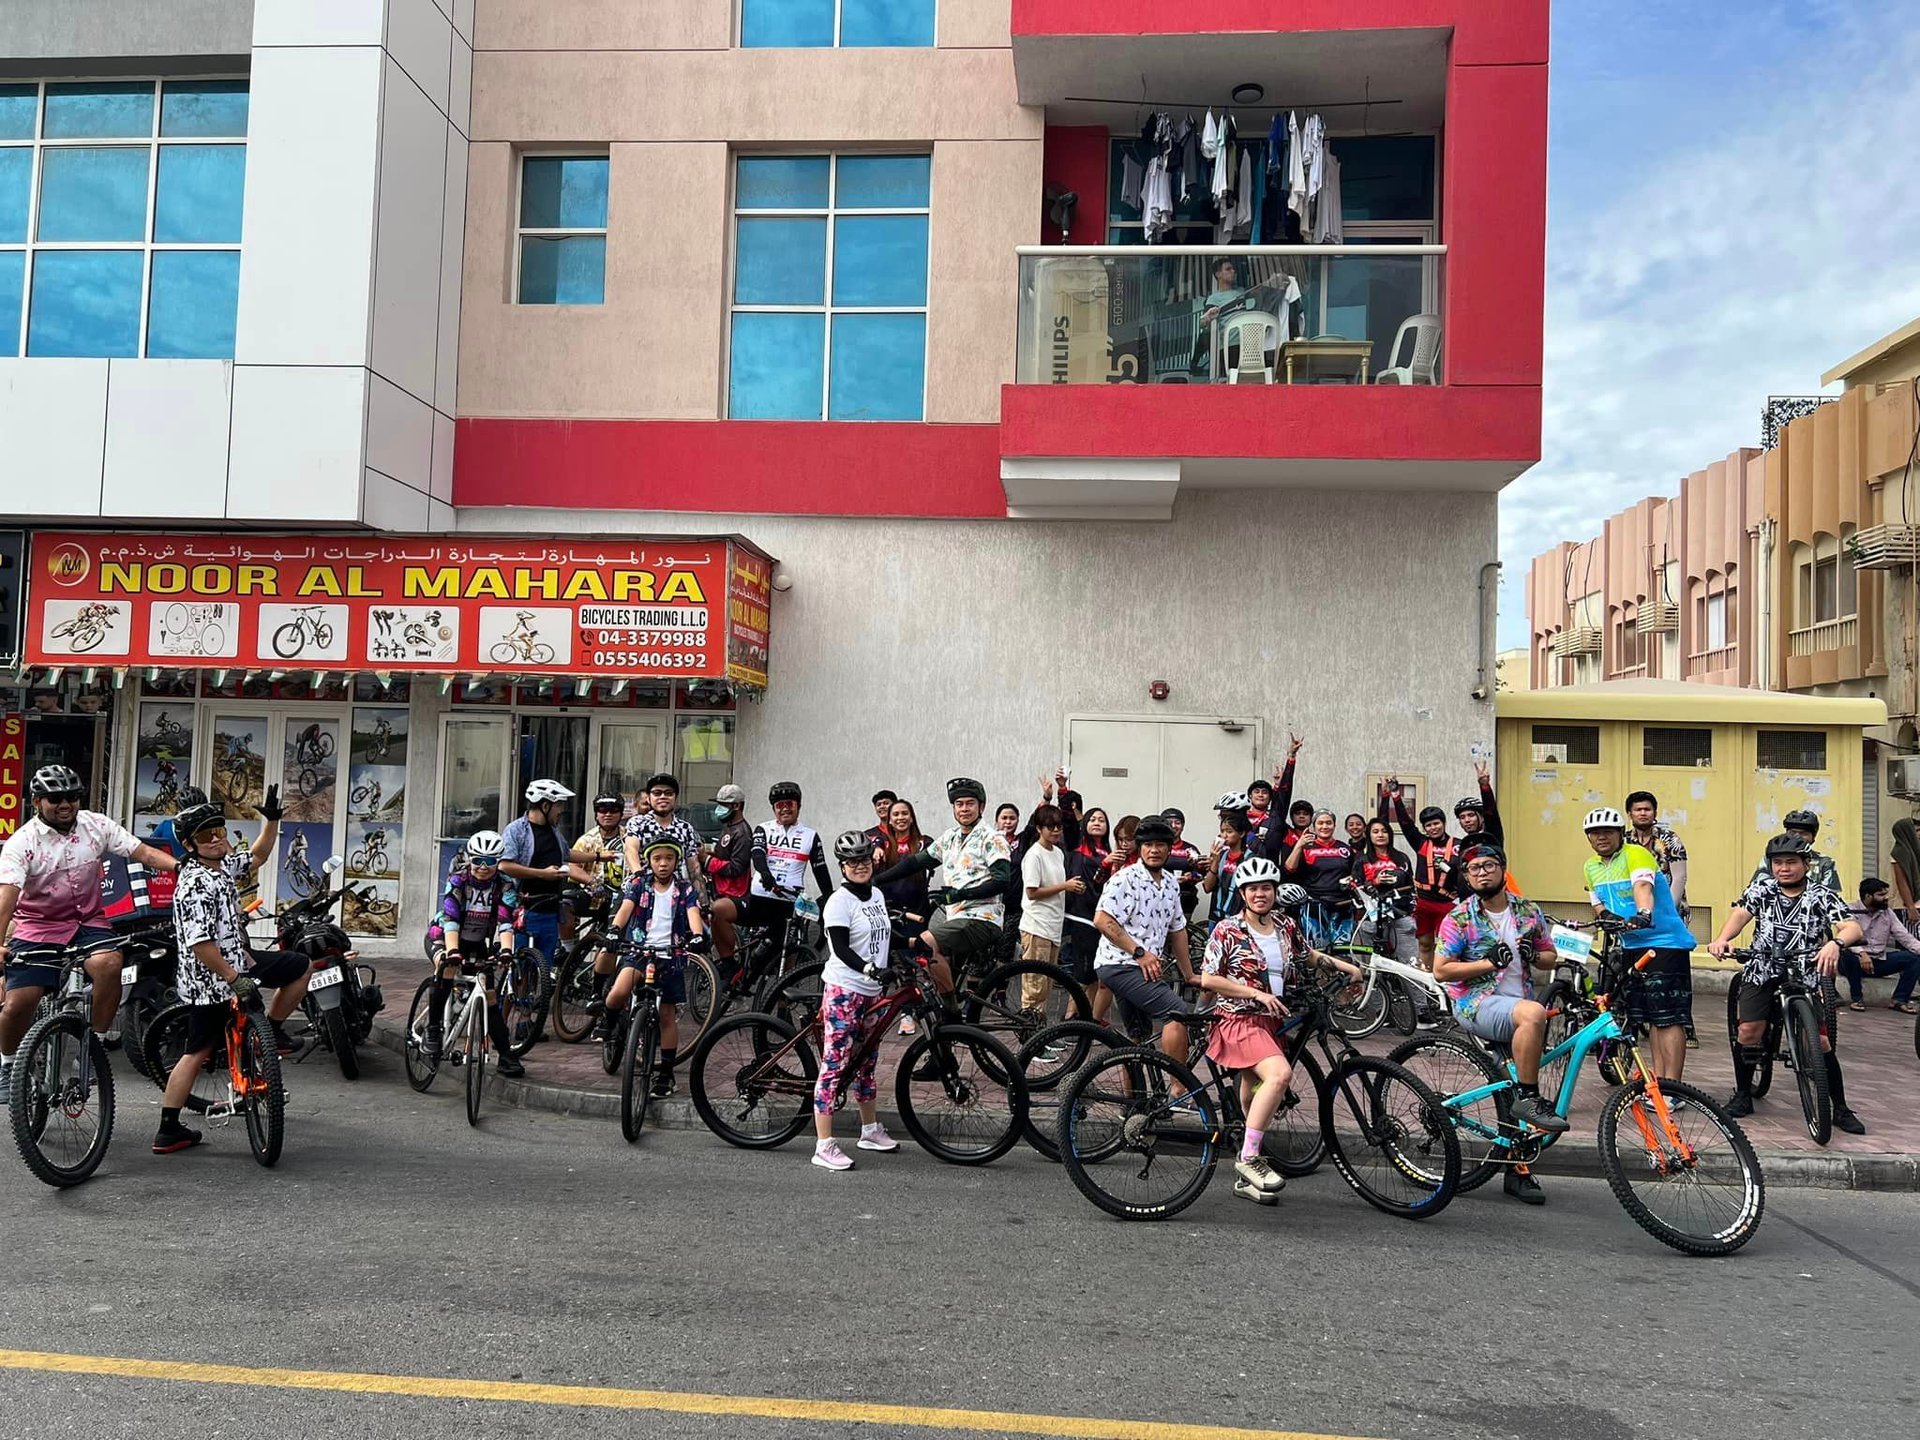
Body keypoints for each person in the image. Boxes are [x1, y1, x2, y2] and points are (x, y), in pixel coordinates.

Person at [0, 764, 180, 1093]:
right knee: (18, 1003)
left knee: (110, 964)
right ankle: (8, 1064)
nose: (66, 803)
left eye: (72, 796)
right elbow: (7, 897)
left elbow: (143, 853)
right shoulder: (21, 843)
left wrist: (181, 866)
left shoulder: (96, 825)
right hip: (38, 926)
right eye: (55, 798)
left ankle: (91, 1049)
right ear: (37, 801)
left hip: (88, 922)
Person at [152, 798, 310, 1154]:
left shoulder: (220, 866)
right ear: (190, 845)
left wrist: (271, 821)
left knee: (299, 967)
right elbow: (200, 943)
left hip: (239, 962)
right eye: (207, 835)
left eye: (220, 831)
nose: (218, 840)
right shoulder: (194, 883)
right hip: (210, 979)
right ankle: (168, 1129)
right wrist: (231, 977)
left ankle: (271, 1029)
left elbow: (257, 856)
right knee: (197, 1051)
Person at [1198, 863, 1358, 1205]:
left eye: (1266, 888)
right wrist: (1256, 994)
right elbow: (1209, 979)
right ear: (1242, 894)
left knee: (1252, 1087)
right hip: (1239, 1019)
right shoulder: (1227, 930)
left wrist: (1348, 968)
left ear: (1274, 892)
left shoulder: (1285, 925)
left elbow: (1308, 955)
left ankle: (1244, 1177)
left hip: (1272, 1021)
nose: (1260, 894)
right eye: (1253, 889)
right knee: (1280, 1074)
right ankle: (1248, 1158)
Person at [1433, 844, 1570, 1203]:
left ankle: (1517, 1170)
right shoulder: (1460, 918)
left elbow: (1550, 955)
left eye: (1488, 866)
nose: (1481, 873)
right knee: (1533, 1015)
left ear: (1503, 869)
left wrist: (1535, 956)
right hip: (1476, 1003)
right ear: (1466, 877)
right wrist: (1487, 964)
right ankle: (1530, 1098)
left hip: (1516, 1003)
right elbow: (1441, 969)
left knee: (1513, 1067)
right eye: (1473, 869)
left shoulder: (1527, 910)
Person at [1710, 833, 1866, 1132]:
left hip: (1804, 972)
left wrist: (1835, 943)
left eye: (1791, 862)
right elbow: (1740, 914)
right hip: (1762, 967)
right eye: (1778, 863)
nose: (1784, 868)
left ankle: (1841, 1109)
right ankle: (1743, 1094)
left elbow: (1851, 927)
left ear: (1806, 864)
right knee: (1749, 1030)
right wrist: (1722, 939)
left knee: (1819, 1043)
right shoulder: (1761, 890)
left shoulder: (1822, 894)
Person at [1580, 806, 1693, 1080]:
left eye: (1608, 832)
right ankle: (1659, 1082)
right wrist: (1605, 916)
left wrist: (1644, 913)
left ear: (1621, 833)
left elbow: (1643, 886)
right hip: (1632, 946)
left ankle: (1673, 1089)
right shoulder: (1591, 866)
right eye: (1595, 833)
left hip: (1666, 945)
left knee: (1669, 1018)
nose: (1601, 838)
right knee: (1652, 1018)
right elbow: (1596, 901)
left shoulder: (1636, 854)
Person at [811, 831, 901, 1171]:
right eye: (852, 862)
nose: (860, 866)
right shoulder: (839, 902)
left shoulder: (875, 894)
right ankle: (823, 1144)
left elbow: (885, 936)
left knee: (866, 1061)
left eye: (864, 860)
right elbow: (841, 948)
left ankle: (869, 1130)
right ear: (842, 867)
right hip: (845, 990)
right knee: (834, 1063)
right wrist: (868, 969)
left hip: (871, 990)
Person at [873, 777, 1011, 999]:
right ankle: (949, 1003)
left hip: (981, 918)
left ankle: (950, 1014)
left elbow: (1002, 881)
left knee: (925, 944)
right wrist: (876, 880)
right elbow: (915, 862)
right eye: (959, 804)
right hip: (954, 916)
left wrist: (960, 894)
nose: (964, 809)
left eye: (969, 803)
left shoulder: (992, 838)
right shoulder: (950, 837)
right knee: (929, 955)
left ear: (981, 807)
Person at [606, 837, 708, 1098]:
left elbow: (694, 913)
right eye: (657, 859)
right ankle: (612, 1029)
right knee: (618, 992)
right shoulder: (640, 885)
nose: (663, 864)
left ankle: (666, 1074)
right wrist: (616, 930)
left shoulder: (685, 889)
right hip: (639, 952)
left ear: (676, 862)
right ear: (649, 861)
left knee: (666, 1016)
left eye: (669, 859)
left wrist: (697, 935)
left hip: (670, 956)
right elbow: (626, 908)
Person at [1091, 814, 1197, 1063]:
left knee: (1137, 1039)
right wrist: (1140, 953)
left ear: (1170, 848)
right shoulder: (1125, 879)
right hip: (1120, 965)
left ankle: (1135, 1100)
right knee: (1177, 1013)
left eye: (1160, 844)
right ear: (1140, 848)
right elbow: (1102, 920)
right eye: (1148, 845)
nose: (1154, 850)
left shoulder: (1171, 883)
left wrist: (1189, 974)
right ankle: (1179, 1092)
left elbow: (1178, 930)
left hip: (1144, 969)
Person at [423, 829, 525, 1078]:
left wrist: (506, 952)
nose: (482, 866)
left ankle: (505, 1055)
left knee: (489, 996)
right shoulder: (458, 879)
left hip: (477, 942)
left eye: (489, 861)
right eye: (477, 859)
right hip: (444, 935)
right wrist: (453, 950)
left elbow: (505, 922)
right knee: (446, 968)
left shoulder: (505, 884)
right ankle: (433, 1029)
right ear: (469, 858)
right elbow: (450, 917)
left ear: (498, 861)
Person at [499, 778, 576, 990]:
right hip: (524, 909)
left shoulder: (553, 832)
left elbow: (567, 855)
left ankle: (526, 1019)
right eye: (559, 805)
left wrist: (598, 857)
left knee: (541, 970)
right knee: (518, 969)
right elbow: (505, 865)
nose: (561, 810)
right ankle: (504, 1016)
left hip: (550, 909)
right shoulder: (516, 830)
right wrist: (542, 874)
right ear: (545, 805)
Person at [747, 781, 834, 966]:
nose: (785, 809)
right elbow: (757, 853)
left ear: (798, 807)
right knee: (758, 947)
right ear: (774, 809)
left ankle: (783, 990)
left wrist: (829, 895)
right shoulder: (763, 828)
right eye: (780, 805)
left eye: (790, 804)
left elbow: (820, 868)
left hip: (788, 900)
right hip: (761, 895)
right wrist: (765, 873)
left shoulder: (810, 835)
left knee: (788, 949)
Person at [1383, 779, 1465, 968]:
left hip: (1447, 903)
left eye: (1436, 823)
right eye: (1428, 825)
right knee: (1425, 943)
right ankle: (1426, 979)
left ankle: (1445, 982)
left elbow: (1465, 875)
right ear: (1424, 828)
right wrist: (1396, 795)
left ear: (1443, 823)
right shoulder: (1420, 843)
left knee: (1448, 947)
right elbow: (1405, 824)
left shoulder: (1459, 846)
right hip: (1424, 903)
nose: (1433, 828)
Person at [874, 797, 931, 1036]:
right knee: (882, 962)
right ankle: (876, 1011)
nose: (900, 818)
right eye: (895, 814)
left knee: (909, 962)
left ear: (912, 816)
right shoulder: (882, 844)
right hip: (888, 911)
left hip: (916, 912)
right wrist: (876, 848)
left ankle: (908, 1014)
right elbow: (872, 843)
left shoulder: (923, 842)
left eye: (904, 813)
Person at [1018, 804, 1076, 1012]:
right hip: (1037, 925)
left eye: (1058, 826)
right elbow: (1032, 892)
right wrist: (1065, 886)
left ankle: (1040, 1034)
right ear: (1039, 828)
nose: (1055, 831)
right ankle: (1031, 1035)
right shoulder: (1034, 855)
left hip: (1053, 925)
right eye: (1050, 827)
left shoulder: (1058, 853)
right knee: (1034, 985)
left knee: (1047, 985)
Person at [700, 784, 754, 978]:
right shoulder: (728, 828)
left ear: (737, 806)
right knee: (711, 915)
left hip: (736, 893)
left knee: (718, 911)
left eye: (724, 805)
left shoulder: (743, 833)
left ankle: (731, 961)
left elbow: (736, 867)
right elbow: (723, 853)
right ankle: (725, 961)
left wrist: (707, 861)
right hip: (720, 888)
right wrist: (708, 852)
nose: (719, 809)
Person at [1843, 878, 1920, 1012]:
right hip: (1856, 961)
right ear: (1868, 896)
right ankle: (1857, 999)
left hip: (1878, 961)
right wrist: (1862, 954)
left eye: (1886, 894)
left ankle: (1899, 1000)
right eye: (1881, 895)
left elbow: (1905, 937)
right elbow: (1847, 938)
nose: (1886, 898)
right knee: (1847, 956)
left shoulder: (1888, 913)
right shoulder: (1850, 910)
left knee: (1913, 958)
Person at [622, 773, 703, 894]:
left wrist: (703, 901)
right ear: (649, 798)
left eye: (669, 793)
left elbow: (694, 868)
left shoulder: (685, 828)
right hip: (640, 892)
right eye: (657, 793)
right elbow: (631, 850)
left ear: (676, 798)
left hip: (677, 895)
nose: (663, 797)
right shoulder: (637, 823)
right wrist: (639, 878)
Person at [1350, 817, 1417, 959]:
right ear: (1369, 835)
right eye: (1375, 832)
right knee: (1368, 965)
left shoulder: (1402, 858)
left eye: (1384, 831)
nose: (1380, 835)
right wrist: (1375, 881)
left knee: (1409, 963)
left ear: (1390, 835)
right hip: (1370, 918)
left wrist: (1411, 912)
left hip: (1400, 914)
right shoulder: (1362, 859)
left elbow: (1411, 887)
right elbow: (1355, 889)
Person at [1285, 810, 1354, 948]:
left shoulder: (1345, 849)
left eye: (1329, 823)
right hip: (1314, 905)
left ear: (1334, 826)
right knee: (1317, 950)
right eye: (1320, 823)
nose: (1325, 826)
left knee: (1343, 949)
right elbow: (1289, 868)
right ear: (1313, 826)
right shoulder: (1305, 847)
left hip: (1342, 905)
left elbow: (1354, 874)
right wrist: (1299, 845)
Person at [1060, 806, 1110, 985]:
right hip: (1079, 913)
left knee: (1094, 972)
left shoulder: (1109, 853)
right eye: (1092, 819)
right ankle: (1071, 1013)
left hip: (1099, 915)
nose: (1097, 823)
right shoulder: (1077, 846)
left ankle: (1083, 1012)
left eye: (1101, 820)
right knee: (1084, 971)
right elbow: (1068, 822)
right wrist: (1063, 790)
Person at [1625, 791, 1689, 916]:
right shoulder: (1623, 841)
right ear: (1630, 814)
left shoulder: (1670, 839)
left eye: (1647, 809)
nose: (1643, 813)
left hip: (1670, 906)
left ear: (1655, 813)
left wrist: (1668, 909)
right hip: (1634, 908)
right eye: (1638, 810)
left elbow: (1679, 878)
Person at [1749, 809, 1842, 894]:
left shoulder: (1825, 862)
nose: (1797, 837)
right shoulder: (1770, 859)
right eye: (1793, 833)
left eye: (1803, 834)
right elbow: (1756, 890)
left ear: (1813, 838)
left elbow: (1830, 897)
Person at [1203, 794, 1252, 923]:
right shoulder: (1223, 854)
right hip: (1216, 917)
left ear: (1241, 833)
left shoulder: (1249, 857)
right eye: (1222, 831)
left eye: (1229, 831)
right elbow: (1207, 887)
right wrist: (1215, 860)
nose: (1224, 835)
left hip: (1239, 918)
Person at [995, 802, 1025, 969]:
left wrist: (1046, 798)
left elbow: (1035, 822)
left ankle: (1000, 991)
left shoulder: (1022, 841)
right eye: (1004, 818)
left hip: (1013, 907)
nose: (1008, 822)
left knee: (1005, 951)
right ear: (996, 820)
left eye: (1012, 818)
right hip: (990, 905)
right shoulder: (990, 840)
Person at [1163, 808, 1202, 917]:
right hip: (1161, 897)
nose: (1174, 826)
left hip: (1185, 899)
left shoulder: (1190, 849)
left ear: (1183, 826)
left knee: (1182, 931)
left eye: (1178, 823)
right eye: (1169, 823)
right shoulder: (1158, 847)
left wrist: (1190, 877)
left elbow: (1201, 874)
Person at [865, 790, 898, 854]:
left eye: (886, 803)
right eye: (878, 804)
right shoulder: (868, 835)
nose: (882, 807)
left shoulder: (905, 831)